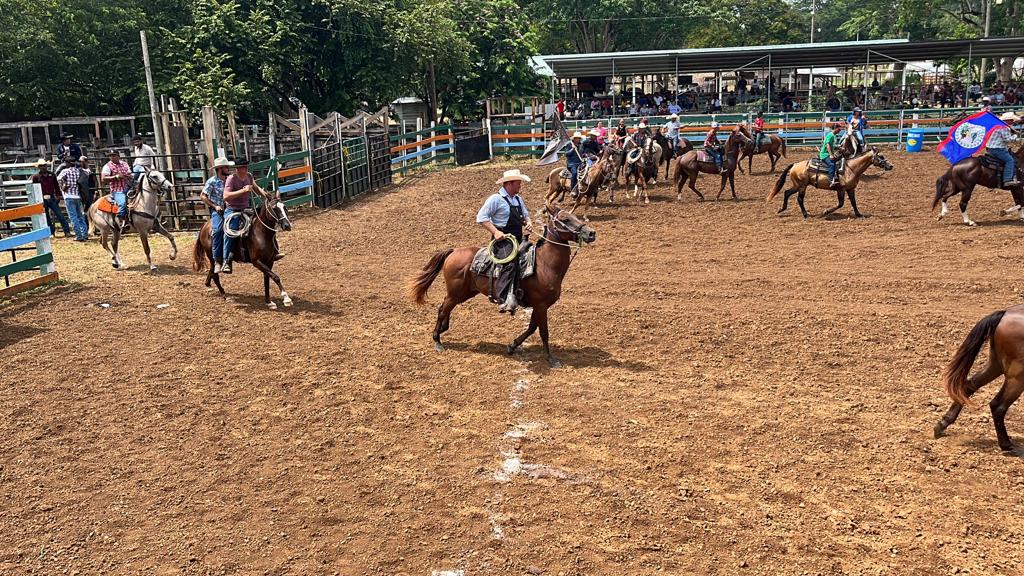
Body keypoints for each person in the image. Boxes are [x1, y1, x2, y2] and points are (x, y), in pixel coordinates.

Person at [476, 169, 533, 314]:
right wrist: (495, 232)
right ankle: (503, 298)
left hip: (518, 238)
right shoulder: (495, 199)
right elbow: (481, 217)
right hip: (503, 241)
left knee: (533, 257)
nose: (520, 185)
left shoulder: (518, 199)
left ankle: (522, 290)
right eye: (518, 183)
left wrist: (528, 222)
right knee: (510, 262)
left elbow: (525, 215)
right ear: (509, 184)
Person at [221, 158, 261, 274]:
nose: (246, 168)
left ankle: (269, 251)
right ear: (238, 168)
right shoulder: (231, 179)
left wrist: (265, 194)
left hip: (245, 209)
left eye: (246, 166)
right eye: (243, 166)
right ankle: (226, 260)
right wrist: (243, 191)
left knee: (261, 224)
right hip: (232, 210)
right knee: (231, 230)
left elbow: (256, 188)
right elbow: (226, 196)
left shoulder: (249, 176)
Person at [201, 157, 233, 273]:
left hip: (231, 208)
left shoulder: (230, 180)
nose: (228, 169)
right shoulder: (212, 182)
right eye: (226, 167)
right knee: (218, 230)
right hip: (218, 210)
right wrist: (215, 206)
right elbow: (203, 196)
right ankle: (217, 260)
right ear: (220, 169)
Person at [31, 161, 69, 237]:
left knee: (60, 215)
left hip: (51, 197)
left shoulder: (52, 175)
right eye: (41, 166)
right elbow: (34, 188)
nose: (43, 167)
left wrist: (58, 196)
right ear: (39, 167)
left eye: (44, 165)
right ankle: (51, 232)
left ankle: (66, 231)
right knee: (46, 217)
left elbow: (56, 186)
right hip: (42, 198)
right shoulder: (36, 177)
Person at [56, 158, 88, 241]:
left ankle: (78, 236)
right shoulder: (79, 171)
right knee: (80, 216)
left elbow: (58, 179)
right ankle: (84, 234)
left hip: (68, 196)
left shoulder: (65, 171)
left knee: (73, 217)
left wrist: (62, 185)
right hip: (77, 195)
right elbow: (87, 173)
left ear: (68, 163)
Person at [986, 112, 1022, 188]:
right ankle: (1007, 180)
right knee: (1010, 160)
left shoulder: (998, 126)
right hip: (997, 148)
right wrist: (1016, 135)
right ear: (1008, 120)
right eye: (1012, 120)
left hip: (991, 147)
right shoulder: (1004, 127)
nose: (1013, 121)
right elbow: (1008, 140)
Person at [100, 149, 132, 229]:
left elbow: (130, 174)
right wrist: (115, 177)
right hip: (117, 189)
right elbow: (103, 179)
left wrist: (127, 176)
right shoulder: (107, 166)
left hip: (128, 187)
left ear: (118, 156)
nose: (112, 157)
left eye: (114, 155)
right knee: (122, 203)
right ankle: (120, 221)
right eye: (110, 156)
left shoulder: (124, 164)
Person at [77, 156, 97, 228]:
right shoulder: (78, 170)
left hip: (90, 191)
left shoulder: (90, 170)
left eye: (83, 161)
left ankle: (92, 225)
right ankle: (86, 225)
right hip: (82, 191)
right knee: (83, 209)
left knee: (90, 208)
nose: (81, 163)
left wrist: (96, 191)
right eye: (81, 161)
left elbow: (95, 180)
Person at [821, 123, 843, 187]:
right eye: (839, 129)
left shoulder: (834, 136)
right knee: (832, 164)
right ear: (835, 128)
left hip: (829, 153)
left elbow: (832, 146)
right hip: (825, 154)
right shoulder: (830, 135)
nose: (840, 130)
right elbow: (827, 145)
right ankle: (831, 180)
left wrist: (839, 147)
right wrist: (830, 155)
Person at [564, 131, 585, 196]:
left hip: (580, 163)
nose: (578, 139)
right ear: (574, 138)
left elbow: (582, 153)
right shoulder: (569, 145)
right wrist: (572, 149)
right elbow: (566, 154)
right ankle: (572, 189)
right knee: (575, 173)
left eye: (579, 138)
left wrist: (585, 155)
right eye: (577, 138)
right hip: (571, 163)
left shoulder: (581, 145)